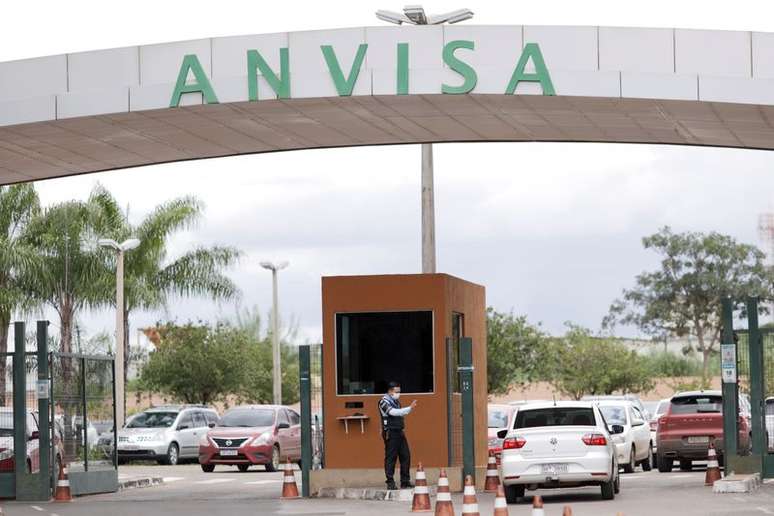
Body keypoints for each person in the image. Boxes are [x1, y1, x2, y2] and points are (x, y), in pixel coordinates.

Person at [378, 381, 417, 490]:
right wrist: (409, 408)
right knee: (391, 457)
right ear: (390, 391)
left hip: (399, 432)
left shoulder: (396, 402)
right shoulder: (383, 402)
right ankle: (390, 482)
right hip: (390, 432)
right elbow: (393, 412)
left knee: (405, 456)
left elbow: (400, 414)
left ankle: (405, 481)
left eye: (399, 391)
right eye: (396, 391)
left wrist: (408, 410)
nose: (398, 393)